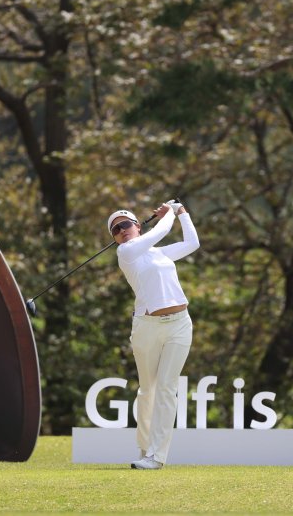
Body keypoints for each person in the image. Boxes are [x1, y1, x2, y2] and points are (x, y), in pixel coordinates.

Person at [107, 200, 199, 470]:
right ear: (115, 239)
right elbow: (159, 232)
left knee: (167, 390)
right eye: (116, 229)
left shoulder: (160, 254)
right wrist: (169, 213)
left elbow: (192, 243)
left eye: (126, 224)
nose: (122, 230)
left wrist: (182, 213)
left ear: (137, 225)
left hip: (180, 324)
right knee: (148, 390)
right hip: (146, 326)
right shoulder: (126, 253)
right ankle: (145, 448)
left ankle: (156, 457)